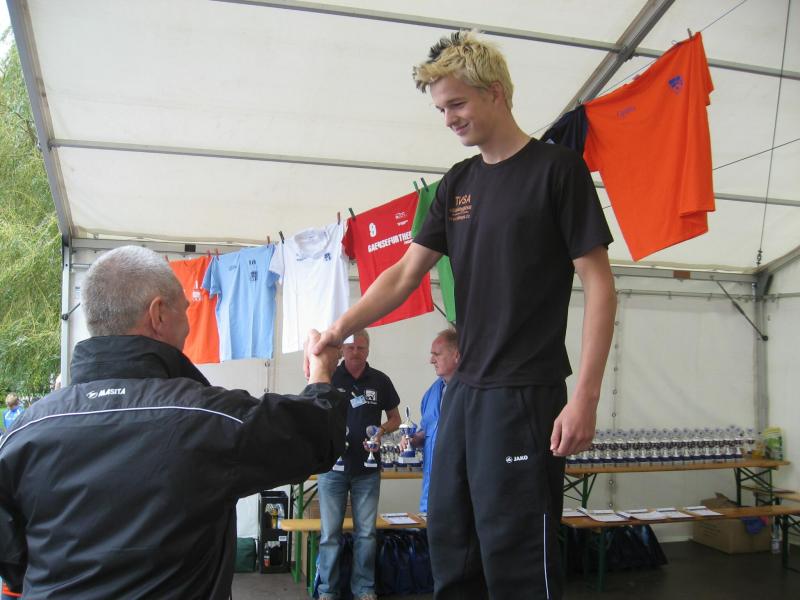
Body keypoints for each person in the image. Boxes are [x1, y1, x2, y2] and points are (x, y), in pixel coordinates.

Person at [309, 30, 616, 599]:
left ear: (495, 92)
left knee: (518, 558)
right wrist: (338, 330)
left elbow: (601, 286)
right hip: (465, 392)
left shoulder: (557, 171)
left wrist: (586, 398)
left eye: (456, 104)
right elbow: (404, 274)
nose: (448, 119)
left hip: (526, 392)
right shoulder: (458, 183)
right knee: (451, 541)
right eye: (440, 109)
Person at [0, 245, 347, 599]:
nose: (189, 323)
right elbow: (316, 435)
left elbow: (13, 560)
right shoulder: (206, 418)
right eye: (185, 308)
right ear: (158, 314)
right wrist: (321, 372)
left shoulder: (23, 433)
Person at [317, 329, 402, 600]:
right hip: (332, 470)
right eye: (351, 347)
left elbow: (396, 419)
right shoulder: (329, 376)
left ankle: (364, 588)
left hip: (367, 471)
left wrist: (381, 430)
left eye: (361, 348)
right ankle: (328, 590)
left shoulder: (380, 380)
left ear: (368, 350)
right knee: (329, 534)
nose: (356, 352)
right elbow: (312, 413)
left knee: (366, 534)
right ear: (342, 350)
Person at [400, 328, 459, 513]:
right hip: (431, 490)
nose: (431, 360)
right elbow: (427, 431)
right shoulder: (432, 393)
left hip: (461, 489)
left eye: (437, 354)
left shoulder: (474, 392)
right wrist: (412, 439)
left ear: (457, 355)